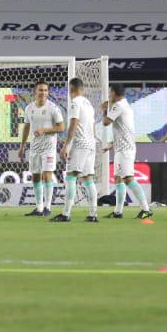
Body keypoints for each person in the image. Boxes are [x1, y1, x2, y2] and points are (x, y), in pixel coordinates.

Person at [102, 84, 152, 219]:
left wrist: (105, 109)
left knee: (128, 178)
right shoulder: (125, 105)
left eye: (110, 93)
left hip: (125, 149)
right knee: (118, 179)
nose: (108, 96)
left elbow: (106, 122)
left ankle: (146, 209)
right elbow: (123, 129)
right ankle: (118, 212)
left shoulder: (118, 106)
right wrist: (112, 144)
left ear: (113, 93)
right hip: (122, 147)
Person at [53, 77, 99, 223]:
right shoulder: (89, 104)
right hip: (91, 143)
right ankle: (93, 214)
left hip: (79, 144)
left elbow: (73, 123)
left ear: (71, 89)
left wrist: (67, 145)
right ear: (82, 89)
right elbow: (93, 126)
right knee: (88, 179)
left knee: (71, 177)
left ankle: (66, 214)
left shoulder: (74, 103)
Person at [18, 80, 65, 217]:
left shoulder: (53, 108)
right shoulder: (29, 108)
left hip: (49, 147)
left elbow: (61, 127)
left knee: (47, 175)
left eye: (45, 90)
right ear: (35, 92)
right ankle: (38, 208)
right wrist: (22, 146)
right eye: (41, 90)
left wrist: (44, 130)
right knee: (36, 176)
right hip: (35, 147)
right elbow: (26, 127)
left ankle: (48, 207)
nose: (43, 93)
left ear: (48, 92)